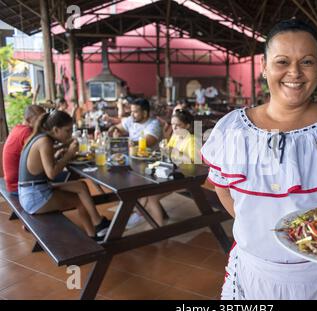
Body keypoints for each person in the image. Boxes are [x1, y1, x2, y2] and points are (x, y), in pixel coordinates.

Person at [201, 19, 317, 300]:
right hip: (254, 272)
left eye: (307, 62)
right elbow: (223, 190)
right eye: (282, 61)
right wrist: (263, 229)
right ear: (264, 66)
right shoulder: (232, 129)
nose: (294, 73)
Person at [18, 110, 111, 242]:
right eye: (67, 131)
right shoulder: (45, 141)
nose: (70, 134)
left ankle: (97, 228)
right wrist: (69, 154)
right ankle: (98, 230)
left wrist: (58, 154)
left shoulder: (38, 137)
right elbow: (51, 173)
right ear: (56, 130)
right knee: (80, 200)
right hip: (35, 196)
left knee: (81, 186)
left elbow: (41, 165)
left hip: (31, 191)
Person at [107, 98, 162, 229]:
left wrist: (130, 142)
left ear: (145, 113)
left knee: (130, 186)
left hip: (151, 165)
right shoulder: (131, 120)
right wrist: (114, 129)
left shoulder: (153, 124)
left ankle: (140, 214)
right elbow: (117, 127)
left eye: (136, 112)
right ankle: (139, 211)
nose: (132, 114)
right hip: (134, 162)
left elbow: (148, 141)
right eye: (131, 111)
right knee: (117, 177)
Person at [144, 109, 196, 225]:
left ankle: (159, 229)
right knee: (144, 190)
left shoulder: (191, 140)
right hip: (172, 174)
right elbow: (168, 153)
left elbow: (193, 163)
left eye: (178, 125)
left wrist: (175, 152)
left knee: (151, 197)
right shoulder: (175, 137)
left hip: (185, 177)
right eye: (173, 125)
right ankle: (144, 217)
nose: (175, 128)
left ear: (187, 126)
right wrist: (163, 150)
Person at [2, 105, 46, 195]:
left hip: (13, 183)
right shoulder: (27, 132)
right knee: (75, 185)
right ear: (29, 120)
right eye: (40, 120)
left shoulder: (17, 129)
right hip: (20, 186)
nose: (44, 123)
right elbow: (41, 160)